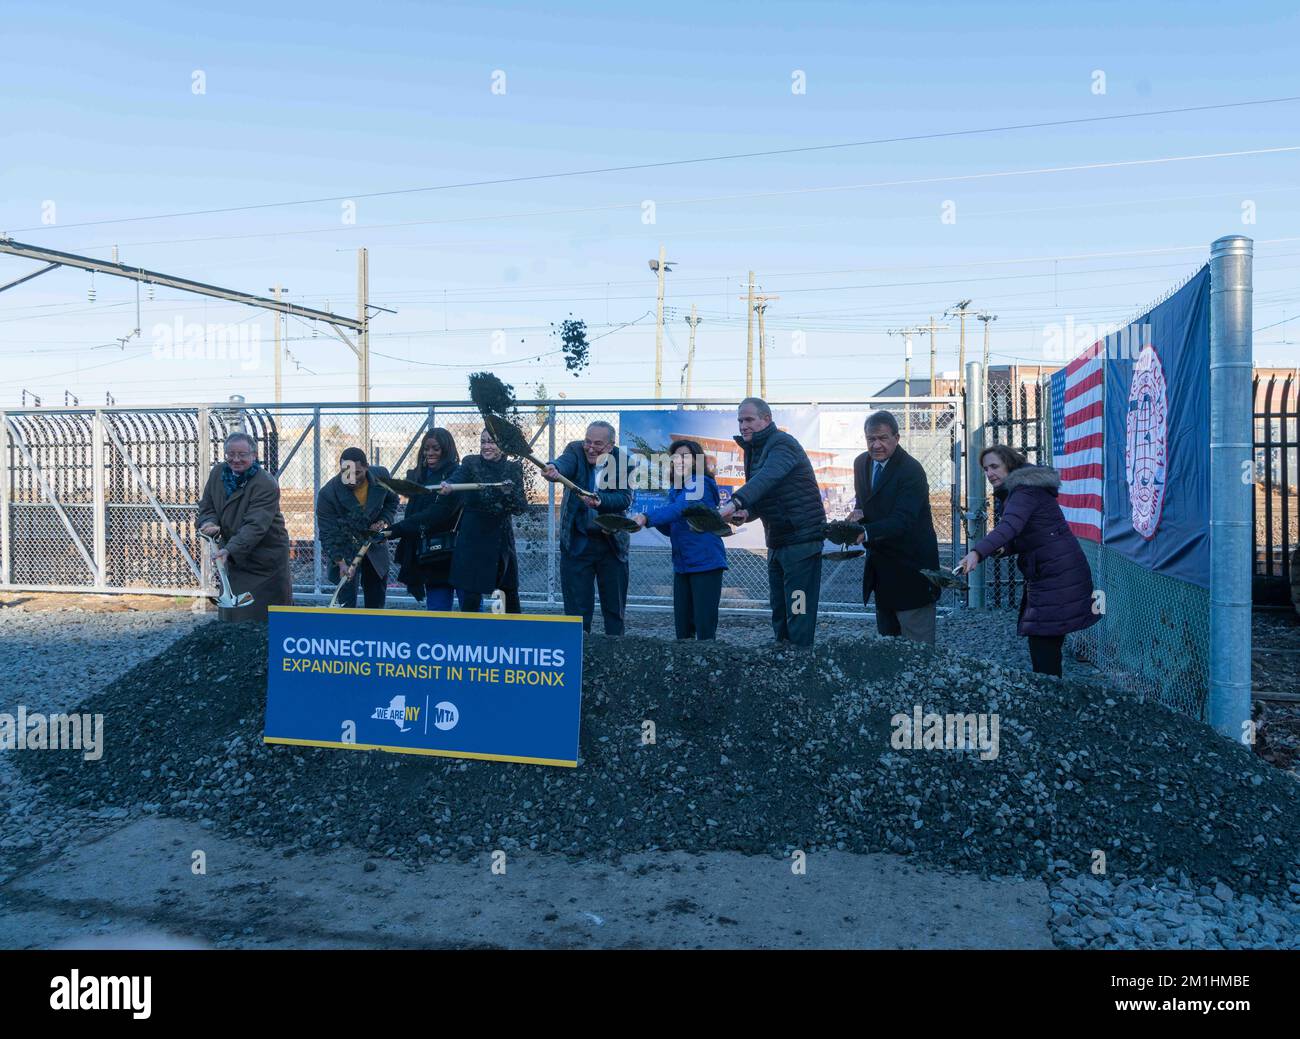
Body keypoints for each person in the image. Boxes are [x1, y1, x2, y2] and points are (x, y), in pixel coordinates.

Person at [957, 444, 1099, 676]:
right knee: (1044, 641)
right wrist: (1005, 548)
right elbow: (1030, 532)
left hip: (1057, 575)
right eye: (985, 469)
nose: (989, 473)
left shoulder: (1025, 491)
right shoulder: (1021, 490)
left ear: (1010, 465)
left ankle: (1049, 699)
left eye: (994, 466)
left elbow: (1010, 526)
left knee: (1043, 642)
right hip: (1053, 572)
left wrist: (977, 552)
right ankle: (1049, 695)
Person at [718, 397, 827, 646]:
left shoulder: (782, 444)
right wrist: (747, 512)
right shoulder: (754, 449)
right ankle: (782, 651)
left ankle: (799, 656)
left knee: (798, 604)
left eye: (749, 419)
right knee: (779, 604)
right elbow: (768, 492)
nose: (743, 425)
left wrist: (735, 502)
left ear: (766, 419)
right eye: (740, 420)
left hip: (801, 541)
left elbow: (768, 477)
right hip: (778, 540)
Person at [850, 410, 942, 644]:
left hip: (912, 567)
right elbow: (864, 502)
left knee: (917, 646)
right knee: (888, 644)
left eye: (883, 438)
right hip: (881, 569)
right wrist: (858, 516)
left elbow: (904, 519)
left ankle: (922, 681)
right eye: (871, 439)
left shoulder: (911, 470)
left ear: (896, 438)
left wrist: (866, 532)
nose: (876, 444)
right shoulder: (861, 463)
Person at [543, 421, 633, 635]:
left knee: (614, 610)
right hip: (577, 543)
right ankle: (580, 658)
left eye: (598, 444)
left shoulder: (623, 461)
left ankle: (614, 655)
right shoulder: (575, 450)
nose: (590, 448)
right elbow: (564, 463)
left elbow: (624, 498)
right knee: (576, 613)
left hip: (611, 545)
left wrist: (599, 501)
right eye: (588, 442)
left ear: (610, 446)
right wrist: (554, 467)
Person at [632, 439, 727, 640]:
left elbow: (679, 509)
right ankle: (685, 668)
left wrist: (648, 518)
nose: (679, 461)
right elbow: (673, 526)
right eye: (675, 457)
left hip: (706, 563)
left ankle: (706, 665)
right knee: (683, 628)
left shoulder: (701, 483)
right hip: (683, 565)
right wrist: (655, 521)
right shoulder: (678, 488)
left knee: (704, 628)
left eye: (685, 457)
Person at [197, 431, 294, 621]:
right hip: (233, 554)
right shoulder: (218, 473)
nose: (236, 459)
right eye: (231, 454)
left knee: (264, 616)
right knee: (233, 612)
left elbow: (255, 525)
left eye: (242, 455)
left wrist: (230, 549)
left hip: (264, 557)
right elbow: (207, 505)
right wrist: (208, 522)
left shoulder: (265, 483)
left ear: (254, 456)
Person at [440, 428, 527, 613]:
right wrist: (449, 485)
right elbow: (458, 478)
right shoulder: (471, 462)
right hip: (474, 537)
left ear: (503, 446)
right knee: (471, 594)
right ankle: (471, 635)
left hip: (500, 538)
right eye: (483, 442)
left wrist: (508, 493)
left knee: (506, 592)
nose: (486, 446)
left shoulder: (513, 469)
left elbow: (520, 507)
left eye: (492, 442)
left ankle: (508, 633)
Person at [316, 447, 399, 609]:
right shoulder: (328, 494)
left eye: (357, 473)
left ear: (367, 467)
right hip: (344, 550)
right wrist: (340, 563)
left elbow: (392, 500)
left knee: (376, 603)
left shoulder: (381, 476)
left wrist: (384, 520)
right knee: (346, 604)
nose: (351, 478)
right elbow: (327, 533)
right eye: (346, 472)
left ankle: (374, 633)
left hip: (374, 548)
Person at [392, 428, 462, 611]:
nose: (430, 453)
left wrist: (396, 529)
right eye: (426, 448)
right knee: (437, 613)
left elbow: (438, 513)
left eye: (436, 449)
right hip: (431, 554)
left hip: (456, 551)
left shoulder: (457, 474)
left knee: (470, 612)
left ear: (446, 450)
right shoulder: (418, 476)